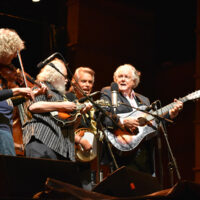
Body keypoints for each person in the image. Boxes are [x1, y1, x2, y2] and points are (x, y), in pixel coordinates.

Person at [100, 64, 183, 176]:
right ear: (115, 80)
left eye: (126, 77)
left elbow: (152, 125)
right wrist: (123, 122)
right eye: (120, 77)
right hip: (122, 152)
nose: (123, 79)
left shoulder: (144, 100)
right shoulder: (108, 92)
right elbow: (103, 117)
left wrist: (170, 114)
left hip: (144, 153)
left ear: (134, 81)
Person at [0, 28, 34, 156]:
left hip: (5, 127)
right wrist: (17, 89)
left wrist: (29, 95)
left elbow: (6, 100)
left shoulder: (6, 72)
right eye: (14, 50)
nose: (16, 55)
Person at [67, 66, 98, 190]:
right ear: (74, 83)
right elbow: (64, 128)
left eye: (90, 82)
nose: (87, 85)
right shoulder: (67, 99)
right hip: (69, 157)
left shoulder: (91, 103)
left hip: (84, 158)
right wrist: (79, 140)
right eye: (83, 81)